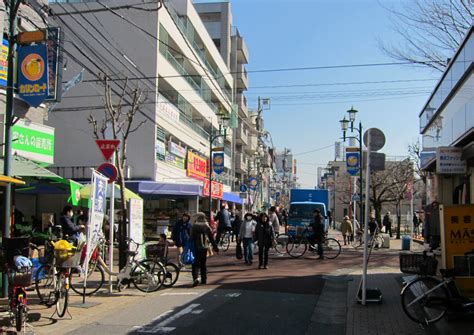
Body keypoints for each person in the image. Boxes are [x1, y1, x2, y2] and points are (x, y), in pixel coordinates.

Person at [189, 212, 218, 286]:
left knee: (195, 263)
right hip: (204, 247)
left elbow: (191, 237)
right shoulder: (206, 226)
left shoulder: (194, 226)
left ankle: (195, 278)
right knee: (203, 264)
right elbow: (211, 238)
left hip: (196, 247)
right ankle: (204, 280)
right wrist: (215, 247)